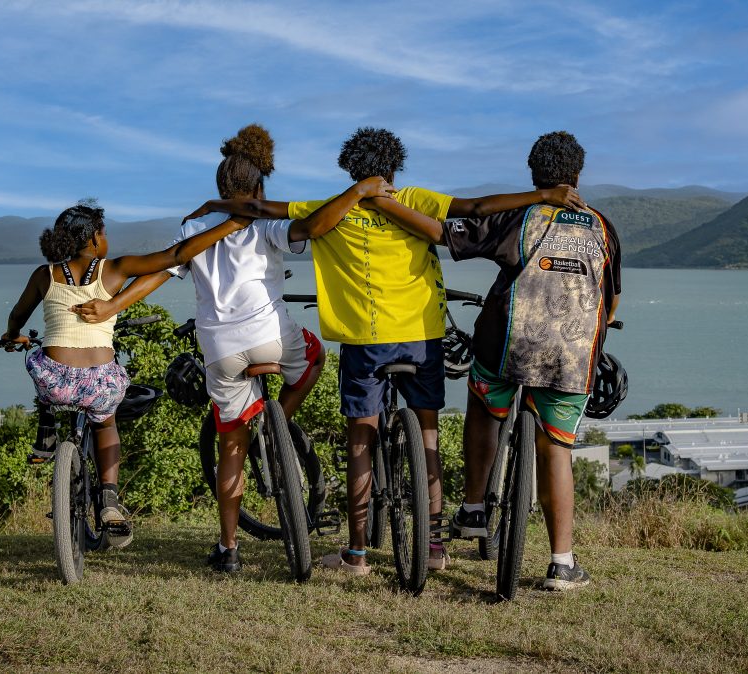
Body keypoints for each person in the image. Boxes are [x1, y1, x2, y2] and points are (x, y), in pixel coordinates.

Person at [183, 127, 585, 574]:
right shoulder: (414, 199)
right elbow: (476, 208)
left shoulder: (333, 208)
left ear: (350, 169)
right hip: (421, 334)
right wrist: (544, 195)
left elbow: (258, 209)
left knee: (361, 438)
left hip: (362, 340)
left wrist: (217, 205)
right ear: (395, 168)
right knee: (428, 435)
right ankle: (433, 548)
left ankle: (356, 553)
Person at [69, 125, 396, 572]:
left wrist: (111, 306)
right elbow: (316, 225)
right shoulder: (267, 222)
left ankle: (228, 548)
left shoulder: (195, 226)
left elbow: (164, 269)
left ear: (220, 188)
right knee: (314, 357)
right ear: (258, 188)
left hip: (220, 349)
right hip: (271, 337)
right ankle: (279, 419)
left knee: (231, 449)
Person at [366, 130, 621, 591]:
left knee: (484, 406)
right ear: (578, 175)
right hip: (572, 357)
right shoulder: (602, 227)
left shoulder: (519, 218)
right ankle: (562, 563)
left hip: (506, 347)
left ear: (533, 174)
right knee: (557, 449)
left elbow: (443, 233)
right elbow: (612, 300)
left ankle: (475, 506)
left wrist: (384, 205)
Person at [0, 202, 249, 537]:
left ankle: (46, 432)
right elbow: (176, 255)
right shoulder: (115, 268)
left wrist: (12, 334)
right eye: (104, 233)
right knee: (105, 425)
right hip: (101, 382)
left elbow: (18, 313)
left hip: (55, 381)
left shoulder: (45, 275)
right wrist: (231, 225)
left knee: (38, 361)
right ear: (93, 241)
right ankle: (109, 499)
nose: (106, 239)